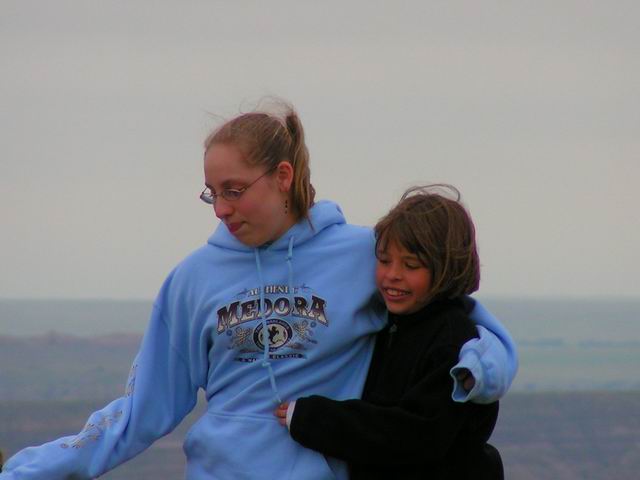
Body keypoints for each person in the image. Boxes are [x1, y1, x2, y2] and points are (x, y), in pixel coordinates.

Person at [0, 102, 517, 480]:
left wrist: (483, 371)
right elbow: (142, 411)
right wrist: (31, 470)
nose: (221, 208)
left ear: (283, 177)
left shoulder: (366, 256)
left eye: (235, 190)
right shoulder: (192, 280)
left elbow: (456, 315)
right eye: (212, 193)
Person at [275, 185, 505, 479]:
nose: (393, 274)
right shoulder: (389, 324)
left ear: (448, 268)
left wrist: (315, 419)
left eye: (411, 265)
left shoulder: (453, 340)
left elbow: (416, 437)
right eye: (384, 260)